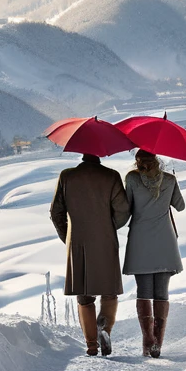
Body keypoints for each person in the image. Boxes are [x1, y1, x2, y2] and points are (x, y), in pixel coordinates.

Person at [50, 152, 130, 356]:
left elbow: (56, 211)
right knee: (109, 291)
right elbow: (123, 211)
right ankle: (104, 329)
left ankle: (91, 344)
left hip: (77, 241)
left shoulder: (67, 176)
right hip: (105, 239)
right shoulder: (111, 176)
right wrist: (109, 227)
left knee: (84, 295)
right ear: (100, 155)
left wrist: (67, 236)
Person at [123, 149, 185, 357]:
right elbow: (180, 206)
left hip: (140, 240)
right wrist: (173, 183)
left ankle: (147, 341)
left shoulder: (132, 179)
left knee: (144, 292)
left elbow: (128, 207)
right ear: (157, 160)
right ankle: (158, 342)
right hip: (165, 241)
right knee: (161, 293)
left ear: (138, 161)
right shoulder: (169, 179)